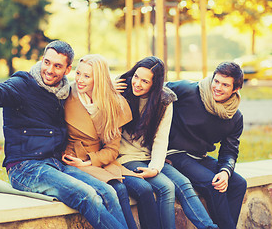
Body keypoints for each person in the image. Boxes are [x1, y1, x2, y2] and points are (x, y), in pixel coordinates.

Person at [0, 40, 129, 229]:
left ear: (67, 69)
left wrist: (108, 84)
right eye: (47, 62)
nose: (50, 70)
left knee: (108, 192)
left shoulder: (63, 91)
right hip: (25, 167)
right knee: (86, 194)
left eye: (57, 66)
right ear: (42, 59)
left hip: (55, 164)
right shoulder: (22, 85)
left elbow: (90, 84)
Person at [115, 56, 218, 229]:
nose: (137, 83)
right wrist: (109, 88)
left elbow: (161, 139)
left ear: (154, 85)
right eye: (136, 76)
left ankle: (209, 227)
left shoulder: (163, 101)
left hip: (150, 157)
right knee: (166, 187)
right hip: (125, 157)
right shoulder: (121, 90)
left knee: (183, 183)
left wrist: (155, 168)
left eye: (145, 81)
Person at [61, 54, 157, 229]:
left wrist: (90, 161)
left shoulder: (112, 103)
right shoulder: (66, 96)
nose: (80, 80)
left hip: (101, 160)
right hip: (74, 160)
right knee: (118, 190)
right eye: (78, 73)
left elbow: (112, 150)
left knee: (144, 189)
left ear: (99, 79)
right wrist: (81, 163)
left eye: (87, 76)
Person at [165, 61, 247, 229]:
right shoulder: (188, 90)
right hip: (174, 153)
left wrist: (225, 171)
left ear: (236, 89)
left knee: (238, 183)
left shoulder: (235, 117)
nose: (217, 87)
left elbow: (229, 151)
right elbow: (154, 87)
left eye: (225, 85)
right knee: (213, 184)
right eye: (216, 81)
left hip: (199, 156)